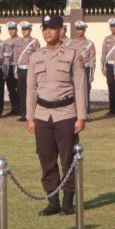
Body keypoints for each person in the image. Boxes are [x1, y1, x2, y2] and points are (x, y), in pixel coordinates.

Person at [26, 14, 87, 216]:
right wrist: (30, 117)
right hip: (42, 115)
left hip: (66, 113)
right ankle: (52, 201)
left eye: (51, 28)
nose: (47, 31)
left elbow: (80, 87)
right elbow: (31, 89)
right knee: (46, 159)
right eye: (44, 28)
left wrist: (81, 117)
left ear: (62, 31)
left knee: (67, 158)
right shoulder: (36, 56)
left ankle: (68, 201)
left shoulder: (72, 55)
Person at [66, 21, 95, 117]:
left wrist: (91, 74)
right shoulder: (70, 43)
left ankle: (85, 112)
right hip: (73, 69)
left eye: (81, 29)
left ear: (84, 30)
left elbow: (92, 60)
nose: (79, 31)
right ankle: (73, 112)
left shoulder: (90, 44)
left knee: (85, 91)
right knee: (72, 91)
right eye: (77, 29)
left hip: (85, 68)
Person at [13, 21, 40, 121]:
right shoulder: (18, 42)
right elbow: (16, 57)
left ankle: (33, 113)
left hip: (31, 70)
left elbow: (38, 56)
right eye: (23, 29)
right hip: (20, 70)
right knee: (21, 92)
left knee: (32, 92)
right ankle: (23, 114)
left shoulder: (34, 42)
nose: (24, 31)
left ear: (30, 30)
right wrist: (15, 71)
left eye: (26, 29)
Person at [101, 18, 115, 116]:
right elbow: (103, 54)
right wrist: (103, 67)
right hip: (109, 65)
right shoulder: (106, 39)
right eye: (111, 26)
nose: (113, 28)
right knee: (111, 87)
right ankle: (112, 109)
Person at [3, 22, 20, 117]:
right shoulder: (6, 42)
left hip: (17, 67)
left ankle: (21, 109)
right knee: (11, 89)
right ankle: (14, 108)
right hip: (8, 67)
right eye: (9, 29)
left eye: (13, 29)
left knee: (20, 89)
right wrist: (5, 71)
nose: (11, 31)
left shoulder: (20, 40)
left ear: (16, 30)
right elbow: (4, 56)